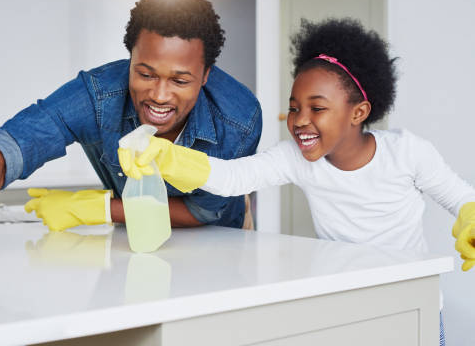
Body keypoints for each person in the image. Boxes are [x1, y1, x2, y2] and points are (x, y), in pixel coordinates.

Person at [0, 0, 262, 286]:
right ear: (129, 60)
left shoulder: (239, 119)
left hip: (217, 243)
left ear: (206, 75)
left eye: (180, 80)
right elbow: (8, 148)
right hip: (136, 248)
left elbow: (203, 212)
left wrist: (97, 209)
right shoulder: (97, 95)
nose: (159, 94)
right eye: (145, 73)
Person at [120, 18, 475, 346]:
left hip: (412, 302)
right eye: (294, 108)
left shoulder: (407, 153)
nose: (300, 120)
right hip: (348, 304)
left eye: (317, 108)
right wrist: (168, 158)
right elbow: (235, 177)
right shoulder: (298, 159)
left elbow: (461, 197)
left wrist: (470, 219)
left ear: (358, 112)